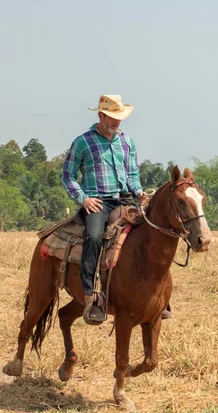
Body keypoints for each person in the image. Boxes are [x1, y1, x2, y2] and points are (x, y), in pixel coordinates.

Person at [62, 94, 149, 325]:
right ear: (100, 115)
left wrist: (138, 191)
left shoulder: (127, 142)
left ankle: (154, 295)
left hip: (125, 199)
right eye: (112, 117)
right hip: (98, 202)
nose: (116, 122)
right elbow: (68, 175)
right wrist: (83, 198)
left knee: (151, 234)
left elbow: (132, 174)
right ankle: (90, 295)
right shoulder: (82, 142)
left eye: (119, 118)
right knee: (94, 237)